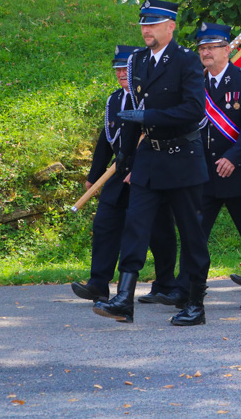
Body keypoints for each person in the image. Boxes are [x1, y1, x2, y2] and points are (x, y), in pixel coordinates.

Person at [93, 0, 210, 326]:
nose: (146, 29)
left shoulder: (186, 61)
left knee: (191, 234)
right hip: (147, 159)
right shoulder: (137, 61)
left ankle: (195, 303)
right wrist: (126, 160)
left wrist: (151, 115)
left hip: (182, 159)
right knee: (135, 227)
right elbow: (132, 114)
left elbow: (194, 110)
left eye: (154, 23)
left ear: (170, 27)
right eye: (144, 23)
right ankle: (124, 299)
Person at [71, 45, 178, 304]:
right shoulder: (114, 100)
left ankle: (165, 285)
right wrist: (94, 175)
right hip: (117, 175)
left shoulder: (151, 98)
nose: (120, 73)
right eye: (117, 69)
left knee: (158, 231)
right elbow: (106, 140)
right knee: (105, 225)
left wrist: (140, 169)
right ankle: (98, 283)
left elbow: (158, 136)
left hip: (151, 174)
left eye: (125, 68)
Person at [188, 21, 241, 310]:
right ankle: (189, 290)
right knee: (195, 233)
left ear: (228, 49)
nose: (206, 52)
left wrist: (233, 157)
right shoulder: (193, 83)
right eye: (202, 48)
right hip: (203, 173)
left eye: (212, 47)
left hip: (240, 172)